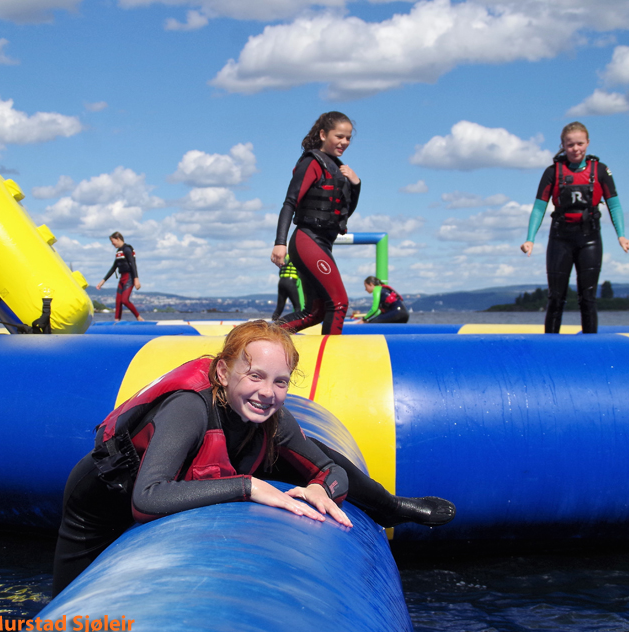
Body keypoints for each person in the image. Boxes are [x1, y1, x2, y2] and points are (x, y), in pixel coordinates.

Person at [53, 320, 455, 595]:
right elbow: (147, 499)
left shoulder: (273, 417)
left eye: (280, 382)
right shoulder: (188, 409)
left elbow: (331, 470)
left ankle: (389, 507)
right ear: (223, 373)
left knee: (316, 452)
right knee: (71, 624)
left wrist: (321, 489)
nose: (267, 392)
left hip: (210, 464)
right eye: (255, 376)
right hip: (102, 506)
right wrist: (248, 487)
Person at [520, 122, 629, 334]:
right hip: (560, 238)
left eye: (580, 144)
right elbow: (539, 207)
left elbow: (614, 204)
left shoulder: (601, 170)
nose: (575, 149)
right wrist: (530, 239)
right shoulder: (552, 172)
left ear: (588, 143)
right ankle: (551, 343)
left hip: (589, 238)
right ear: (563, 145)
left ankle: (590, 344)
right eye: (570, 145)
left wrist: (622, 236)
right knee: (556, 297)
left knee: (588, 297)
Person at [271, 111, 361, 335]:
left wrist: (356, 184)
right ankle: (331, 357)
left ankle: (262, 336)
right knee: (339, 303)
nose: (344, 142)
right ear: (323, 134)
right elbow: (289, 203)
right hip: (308, 240)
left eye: (348, 138)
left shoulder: (338, 168)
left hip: (323, 243)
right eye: (339, 136)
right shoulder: (312, 163)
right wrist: (280, 242)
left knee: (314, 312)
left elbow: (344, 212)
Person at [96, 231, 143, 322]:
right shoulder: (118, 252)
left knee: (124, 300)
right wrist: (103, 281)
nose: (112, 244)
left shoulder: (127, 249)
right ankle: (117, 320)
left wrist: (136, 279)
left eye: (112, 241)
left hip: (129, 277)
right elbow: (114, 267)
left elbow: (133, 264)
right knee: (118, 301)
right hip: (122, 278)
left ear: (118, 239)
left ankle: (139, 317)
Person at [271, 254, 304, 322]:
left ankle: (273, 321)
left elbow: (280, 271)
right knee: (297, 306)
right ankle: (296, 322)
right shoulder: (296, 256)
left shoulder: (285, 257)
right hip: (291, 282)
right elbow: (300, 271)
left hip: (281, 281)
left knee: (280, 307)